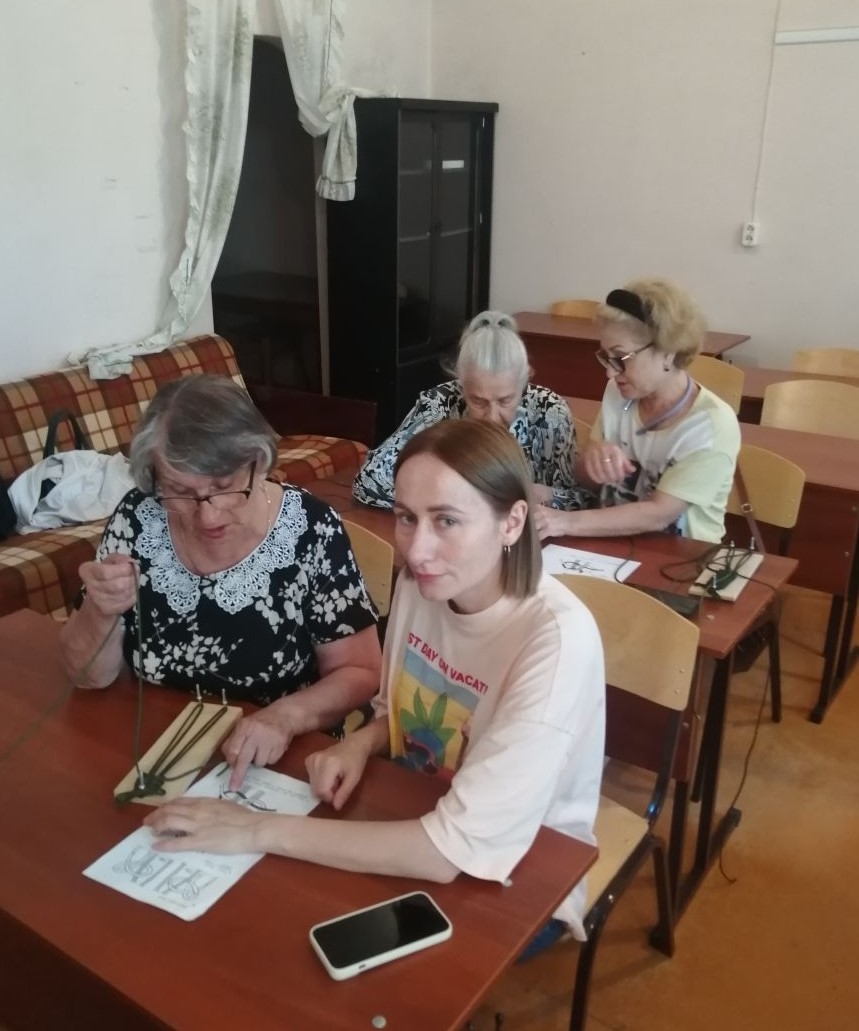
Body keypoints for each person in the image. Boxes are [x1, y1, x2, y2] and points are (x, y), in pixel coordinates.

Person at [145, 418, 606, 943]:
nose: (417, 550)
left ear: (512, 522)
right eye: (407, 517)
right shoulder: (423, 584)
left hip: (517, 871)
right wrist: (361, 744)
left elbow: (446, 853)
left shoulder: (555, 642)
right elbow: (400, 712)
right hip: (413, 807)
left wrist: (254, 829)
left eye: (447, 520)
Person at [59, 375, 381, 791]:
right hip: (157, 753)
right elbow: (88, 677)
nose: (208, 516)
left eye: (224, 486)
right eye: (179, 490)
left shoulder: (311, 530)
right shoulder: (137, 518)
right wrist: (99, 611)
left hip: (276, 762)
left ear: (258, 462)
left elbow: (361, 672)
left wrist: (285, 717)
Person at [534, 279, 740, 544]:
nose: (610, 373)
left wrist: (562, 521)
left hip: (682, 556)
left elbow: (659, 515)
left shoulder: (710, 424)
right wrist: (591, 461)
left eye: (621, 358)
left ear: (667, 353)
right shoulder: (618, 392)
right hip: (613, 544)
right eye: (606, 358)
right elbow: (585, 479)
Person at [353, 310, 594, 512]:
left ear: (525, 380)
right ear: (461, 384)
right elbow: (369, 481)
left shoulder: (549, 412)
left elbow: (584, 499)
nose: (492, 417)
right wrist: (454, 500)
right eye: (478, 401)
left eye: (505, 400)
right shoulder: (441, 404)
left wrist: (547, 494)